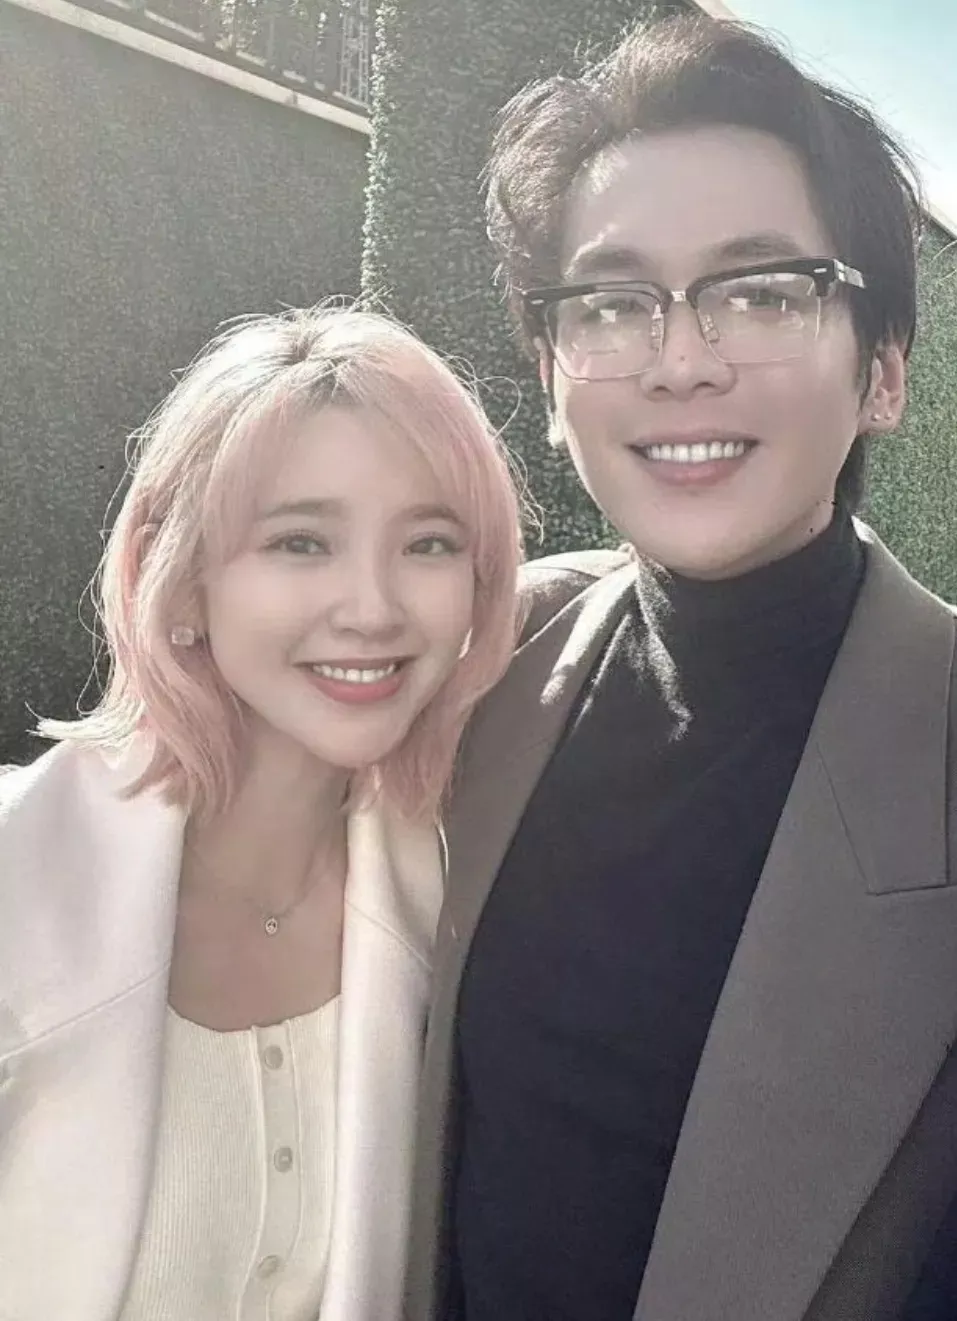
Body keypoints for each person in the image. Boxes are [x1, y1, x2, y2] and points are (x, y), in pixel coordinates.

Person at [404, 14, 957, 1321]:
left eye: (761, 292)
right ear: (551, 376)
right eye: (612, 303)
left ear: (882, 373)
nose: (681, 361)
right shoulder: (484, 662)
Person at [0, 306, 523, 1320]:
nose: (372, 607)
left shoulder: (459, 899)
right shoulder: (19, 875)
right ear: (180, 574)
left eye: (428, 542)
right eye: (300, 542)